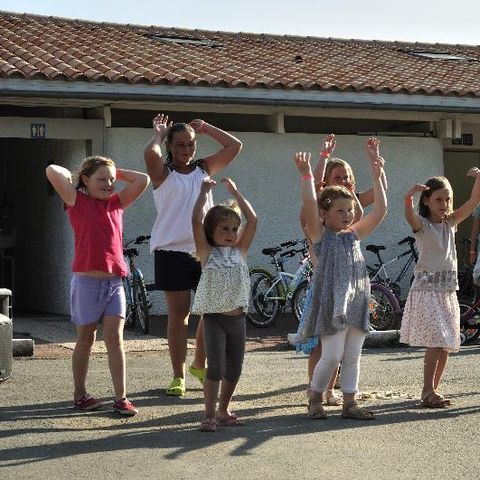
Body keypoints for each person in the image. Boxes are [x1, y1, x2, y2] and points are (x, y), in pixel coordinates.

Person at [144, 113, 242, 397]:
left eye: (190, 144)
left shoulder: (204, 168)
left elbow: (234, 146)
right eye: (180, 145)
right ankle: (178, 375)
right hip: (170, 251)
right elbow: (150, 154)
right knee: (179, 315)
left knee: (212, 312)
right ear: (170, 146)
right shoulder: (163, 173)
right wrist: (158, 134)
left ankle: (200, 365)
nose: (186, 150)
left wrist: (207, 128)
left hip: (205, 251)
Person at [46, 156, 150, 415]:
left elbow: (143, 179)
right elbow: (51, 170)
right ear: (85, 180)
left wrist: (115, 170)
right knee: (86, 338)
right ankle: (80, 394)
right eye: (101, 179)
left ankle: (121, 398)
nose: (109, 184)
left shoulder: (117, 203)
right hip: (86, 284)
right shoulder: (76, 200)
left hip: (114, 283)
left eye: (112, 180)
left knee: (116, 338)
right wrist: (77, 174)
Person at [295, 138, 387, 420]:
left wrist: (376, 173)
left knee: (353, 356)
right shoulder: (320, 236)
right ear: (324, 214)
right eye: (340, 211)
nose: (347, 215)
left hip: (357, 301)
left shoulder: (354, 235)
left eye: (349, 211)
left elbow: (381, 210)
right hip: (331, 303)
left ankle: (350, 403)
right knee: (332, 356)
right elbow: (310, 203)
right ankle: (315, 396)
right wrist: (307, 175)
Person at [400, 169, 480, 407]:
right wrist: (409, 197)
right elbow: (409, 216)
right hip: (427, 291)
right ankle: (427, 391)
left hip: (447, 291)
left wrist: (478, 178)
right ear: (426, 201)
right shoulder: (423, 225)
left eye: (447, 199)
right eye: (438, 199)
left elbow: (474, 201)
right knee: (436, 340)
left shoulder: (450, 222)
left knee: (447, 342)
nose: (444, 204)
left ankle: (433, 390)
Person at [191, 177, 257, 432]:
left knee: (235, 368)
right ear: (211, 231)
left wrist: (236, 193)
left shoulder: (240, 251)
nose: (231, 234)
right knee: (216, 367)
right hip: (215, 319)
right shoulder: (207, 253)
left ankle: (223, 409)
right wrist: (202, 192)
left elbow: (253, 220)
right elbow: (195, 221)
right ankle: (209, 414)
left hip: (237, 319)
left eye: (234, 229)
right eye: (224, 229)